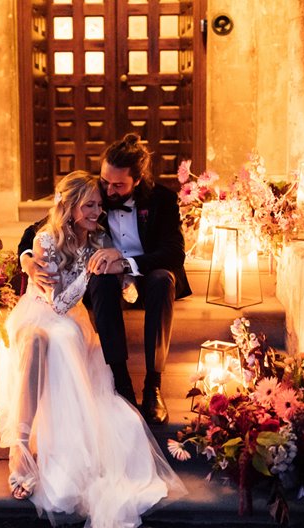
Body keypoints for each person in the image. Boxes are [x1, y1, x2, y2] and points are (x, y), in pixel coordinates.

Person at [0, 171, 186, 528]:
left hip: (73, 321)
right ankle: (19, 449)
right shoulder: (46, 238)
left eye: (100, 204)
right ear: (70, 207)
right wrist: (87, 271)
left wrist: (122, 273)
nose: (99, 210)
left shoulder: (98, 236)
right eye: (91, 205)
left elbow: (119, 274)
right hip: (41, 311)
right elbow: (59, 303)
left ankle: (52, 448)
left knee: (65, 338)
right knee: (42, 338)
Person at [19, 134, 191, 424]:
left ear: (137, 180)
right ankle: (121, 383)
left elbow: (174, 253)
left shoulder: (162, 199)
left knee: (164, 280)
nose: (109, 190)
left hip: (146, 272)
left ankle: (153, 385)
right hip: (105, 281)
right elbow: (38, 229)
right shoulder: (96, 195)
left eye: (118, 185)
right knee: (99, 277)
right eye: (105, 181)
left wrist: (125, 263)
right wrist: (26, 258)